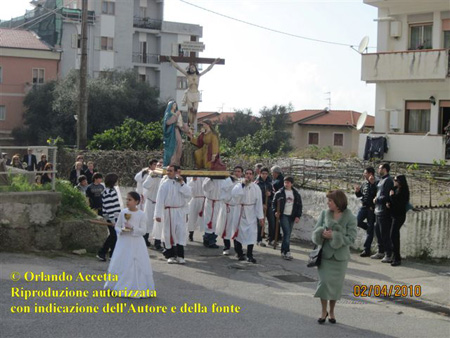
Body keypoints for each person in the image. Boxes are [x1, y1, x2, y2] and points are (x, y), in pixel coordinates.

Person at [312, 190, 357, 324]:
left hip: (340, 258)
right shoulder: (325, 213)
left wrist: (335, 236)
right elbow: (315, 230)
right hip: (325, 256)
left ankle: (331, 311)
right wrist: (321, 233)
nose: (328, 203)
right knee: (324, 283)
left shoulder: (350, 217)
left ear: (338, 202)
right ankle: (323, 311)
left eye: (330, 201)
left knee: (336, 287)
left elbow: (352, 238)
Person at [104, 192, 155, 296]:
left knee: (135, 262)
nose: (127, 201)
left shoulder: (141, 214)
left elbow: (143, 231)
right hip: (124, 242)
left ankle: (136, 286)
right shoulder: (123, 212)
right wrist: (121, 231)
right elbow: (117, 226)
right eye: (127, 199)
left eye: (130, 200)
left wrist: (132, 228)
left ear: (136, 202)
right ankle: (117, 285)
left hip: (136, 242)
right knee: (123, 261)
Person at [154, 165, 192, 264]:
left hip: (180, 211)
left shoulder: (181, 183)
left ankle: (180, 256)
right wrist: (157, 214)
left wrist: (182, 183)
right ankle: (170, 255)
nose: (168, 172)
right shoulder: (164, 184)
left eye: (170, 171)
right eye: (167, 171)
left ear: (176, 172)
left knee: (180, 233)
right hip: (168, 212)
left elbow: (188, 194)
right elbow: (160, 200)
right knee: (168, 233)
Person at [168, 56, 221, 125]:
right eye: (190, 67)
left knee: (195, 110)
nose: (192, 68)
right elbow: (178, 67)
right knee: (191, 109)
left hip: (196, 94)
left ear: (196, 68)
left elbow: (208, 69)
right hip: (189, 93)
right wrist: (171, 60)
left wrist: (214, 62)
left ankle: (192, 123)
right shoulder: (187, 75)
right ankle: (190, 124)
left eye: (193, 67)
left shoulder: (198, 75)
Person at [231, 168, 264, 264]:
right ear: (244, 175)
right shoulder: (239, 185)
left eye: (250, 174)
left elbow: (259, 203)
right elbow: (234, 195)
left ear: (253, 176)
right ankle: (240, 253)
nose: (248, 175)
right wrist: (242, 185)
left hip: (251, 213)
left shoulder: (256, 187)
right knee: (239, 233)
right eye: (247, 174)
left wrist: (260, 217)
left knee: (252, 234)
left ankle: (250, 255)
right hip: (240, 212)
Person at [272, 176, 302, 260]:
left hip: (292, 215)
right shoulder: (279, 193)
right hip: (283, 215)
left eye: (288, 182)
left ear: (292, 183)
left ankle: (283, 251)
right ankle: (287, 251)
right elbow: (274, 204)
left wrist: (298, 216)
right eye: (285, 182)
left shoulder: (296, 194)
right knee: (287, 233)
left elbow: (299, 206)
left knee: (287, 234)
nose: (286, 184)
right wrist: (275, 211)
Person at [216, 166, 243, 255]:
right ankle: (226, 247)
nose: (237, 173)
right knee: (226, 227)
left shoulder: (242, 182)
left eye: (239, 171)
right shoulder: (227, 180)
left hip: (237, 208)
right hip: (228, 207)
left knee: (236, 228)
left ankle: (237, 249)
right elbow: (224, 188)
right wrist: (231, 181)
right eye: (236, 171)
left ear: (241, 173)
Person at [371, 163, 394, 263]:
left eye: (379, 168)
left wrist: (377, 199)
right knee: (378, 233)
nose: (378, 169)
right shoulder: (381, 180)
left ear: (384, 169)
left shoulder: (388, 180)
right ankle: (380, 251)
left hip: (384, 211)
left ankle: (388, 254)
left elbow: (386, 196)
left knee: (385, 233)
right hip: (377, 210)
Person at [97, 173, 121, 261]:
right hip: (111, 217)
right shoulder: (107, 192)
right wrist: (112, 220)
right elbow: (109, 206)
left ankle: (111, 254)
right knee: (113, 235)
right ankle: (102, 252)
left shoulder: (113, 190)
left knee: (114, 236)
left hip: (115, 216)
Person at [354, 167, 377, 257]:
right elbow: (361, 196)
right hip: (364, 207)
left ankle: (366, 250)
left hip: (371, 209)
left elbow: (376, 194)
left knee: (370, 230)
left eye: (365, 173)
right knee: (357, 221)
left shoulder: (377, 183)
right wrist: (357, 192)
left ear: (371, 174)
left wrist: (372, 184)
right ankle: (370, 229)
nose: (364, 175)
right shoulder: (364, 184)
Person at [388, 175, 410, 266]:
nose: (394, 181)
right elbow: (394, 202)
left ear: (400, 181)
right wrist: (389, 203)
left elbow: (399, 204)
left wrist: (392, 197)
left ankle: (397, 258)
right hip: (394, 215)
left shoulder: (403, 191)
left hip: (399, 216)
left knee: (394, 235)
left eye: (396, 180)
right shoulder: (396, 189)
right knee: (394, 236)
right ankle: (394, 256)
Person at [142, 159, 163, 247]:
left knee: (159, 223)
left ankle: (157, 242)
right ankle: (145, 239)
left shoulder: (164, 177)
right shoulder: (151, 175)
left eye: (161, 166)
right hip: (151, 201)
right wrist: (151, 176)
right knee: (148, 221)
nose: (159, 167)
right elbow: (145, 185)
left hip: (160, 204)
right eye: (157, 166)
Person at [163, 101, 189, 166]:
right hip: (171, 132)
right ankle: (172, 162)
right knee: (172, 146)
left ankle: (177, 162)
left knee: (179, 143)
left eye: (175, 105)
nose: (175, 106)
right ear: (170, 106)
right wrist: (176, 115)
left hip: (176, 130)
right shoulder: (168, 113)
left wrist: (185, 127)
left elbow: (180, 124)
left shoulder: (176, 113)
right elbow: (167, 122)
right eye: (173, 105)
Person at [255, 167, 274, 247]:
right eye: (263, 174)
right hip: (260, 206)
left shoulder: (270, 183)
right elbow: (255, 196)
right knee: (260, 223)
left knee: (272, 222)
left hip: (269, 205)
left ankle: (271, 239)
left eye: (266, 174)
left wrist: (270, 194)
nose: (265, 175)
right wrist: (262, 204)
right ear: (260, 173)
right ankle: (258, 239)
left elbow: (274, 193)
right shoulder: (257, 183)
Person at [202, 177, 222, 248]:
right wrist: (211, 180)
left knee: (217, 222)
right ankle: (207, 239)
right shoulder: (208, 178)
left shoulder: (223, 179)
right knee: (208, 221)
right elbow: (205, 188)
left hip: (219, 202)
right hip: (210, 202)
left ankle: (213, 240)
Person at [187, 177, 205, 242]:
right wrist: (193, 181)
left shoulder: (205, 176)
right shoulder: (191, 177)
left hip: (204, 199)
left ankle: (206, 236)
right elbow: (188, 188)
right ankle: (191, 233)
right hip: (194, 198)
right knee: (192, 217)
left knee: (204, 218)